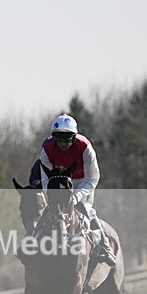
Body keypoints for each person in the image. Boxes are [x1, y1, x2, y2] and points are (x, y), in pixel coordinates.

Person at [34, 114, 116, 266]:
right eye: (58, 138)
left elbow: (92, 179)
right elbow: (45, 179)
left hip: (83, 182)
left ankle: (104, 246)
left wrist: (77, 197)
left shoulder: (85, 148)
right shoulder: (46, 150)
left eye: (66, 139)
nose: (62, 143)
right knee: (49, 210)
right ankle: (34, 240)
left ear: (74, 137)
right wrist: (51, 195)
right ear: (53, 137)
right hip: (58, 183)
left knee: (87, 209)